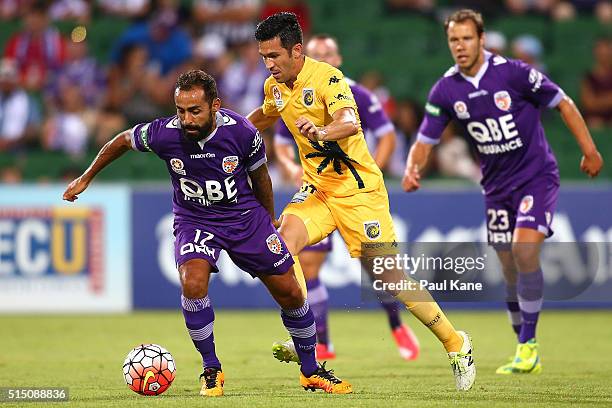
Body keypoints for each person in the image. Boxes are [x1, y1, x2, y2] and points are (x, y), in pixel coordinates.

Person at [62, 69, 352, 395]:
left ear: (215, 105)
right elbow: (123, 140)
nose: (186, 119)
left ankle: (311, 371)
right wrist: (86, 177)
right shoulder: (163, 133)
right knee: (193, 283)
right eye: (180, 110)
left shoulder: (242, 132)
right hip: (195, 220)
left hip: (244, 218)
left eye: (195, 111)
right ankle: (211, 368)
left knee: (291, 292)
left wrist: (269, 220)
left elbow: (261, 179)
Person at [247, 12, 476, 391]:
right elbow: (262, 117)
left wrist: (320, 131)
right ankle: (305, 337)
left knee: (390, 278)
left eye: (274, 56)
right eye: (264, 57)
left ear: (297, 51)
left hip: (358, 192)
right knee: (280, 249)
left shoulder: (327, 78)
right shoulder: (275, 86)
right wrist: (226, 129)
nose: (269, 64)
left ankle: (456, 343)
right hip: (318, 190)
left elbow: (349, 121)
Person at [402, 9, 603, 375]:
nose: (459, 46)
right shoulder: (446, 88)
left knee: (525, 251)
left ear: (481, 40)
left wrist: (589, 150)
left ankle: (528, 344)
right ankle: (522, 345)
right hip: (495, 187)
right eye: (453, 40)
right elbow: (425, 138)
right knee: (509, 267)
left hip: (535, 176)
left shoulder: (514, 73)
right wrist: (413, 167)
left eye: (466, 39)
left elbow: (564, 103)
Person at [273, 34, 419, 362]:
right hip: (320, 191)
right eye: (315, 54)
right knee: (307, 263)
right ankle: (320, 341)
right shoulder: (290, 91)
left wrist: (368, 175)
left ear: (338, 60)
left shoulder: (360, 96)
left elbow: (387, 136)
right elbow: (280, 138)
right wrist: (288, 164)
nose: (322, 58)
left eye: (327, 54)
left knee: (377, 268)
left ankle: (396, 324)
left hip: (356, 194)